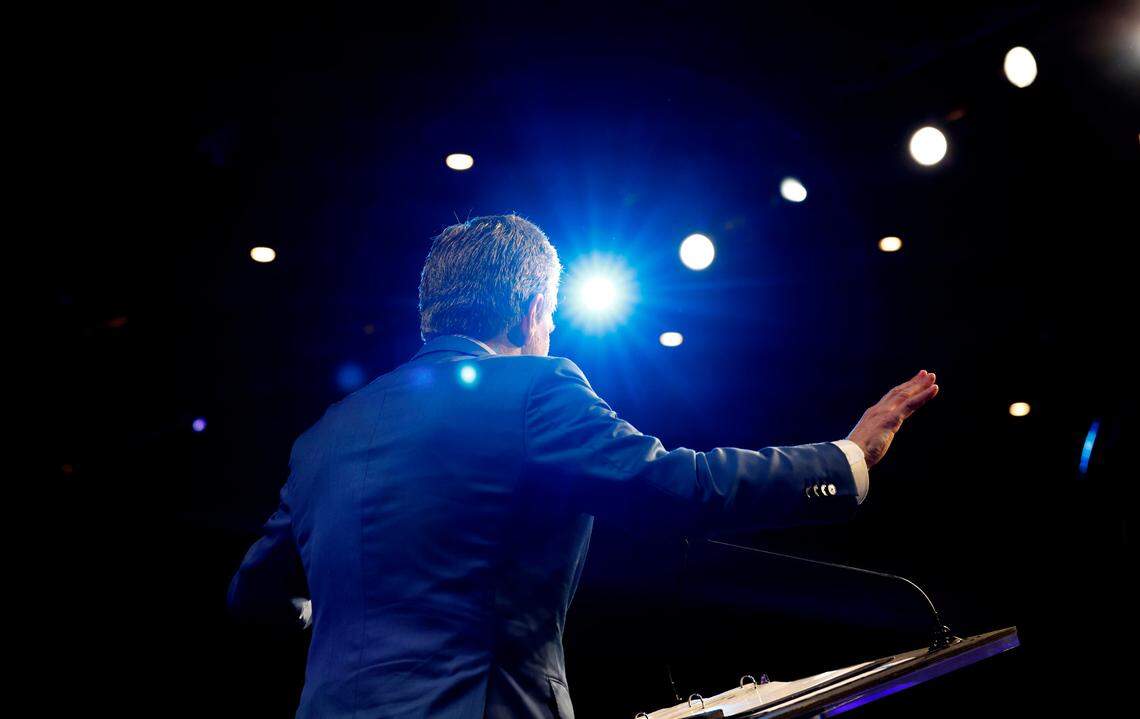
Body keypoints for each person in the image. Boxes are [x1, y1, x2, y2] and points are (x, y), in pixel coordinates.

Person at [227, 214, 939, 719]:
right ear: (534, 309)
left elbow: (249, 596)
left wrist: (343, 613)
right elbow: (679, 485)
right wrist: (845, 459)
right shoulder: (534, 387)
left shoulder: (322, 437)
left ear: (431, 315)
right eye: (552, 315)